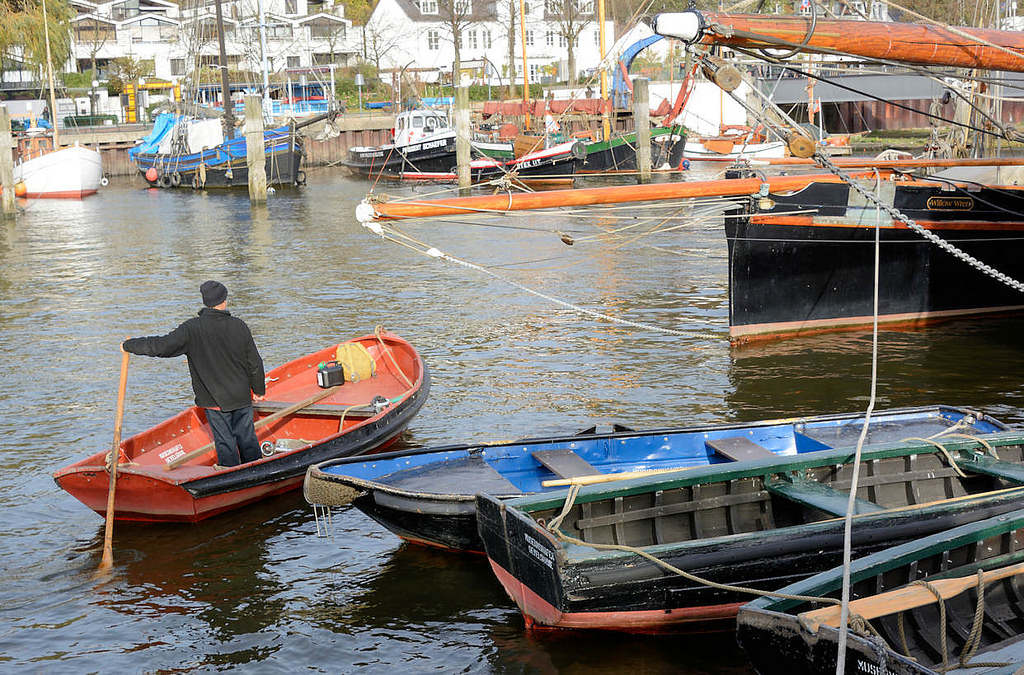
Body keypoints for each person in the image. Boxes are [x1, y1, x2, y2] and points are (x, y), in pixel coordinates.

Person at [122, 281, 266, 468]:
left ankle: (230, 473)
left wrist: (130, 345)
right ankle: (254, 470)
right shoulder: (239, 325)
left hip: (214, 399)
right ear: (224, 301)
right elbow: (254, 362)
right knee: (247, 437)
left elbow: (161, 346)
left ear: (205, 302)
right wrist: (259, 389)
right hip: (241, 395)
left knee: (225, 442)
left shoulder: (191, 329)